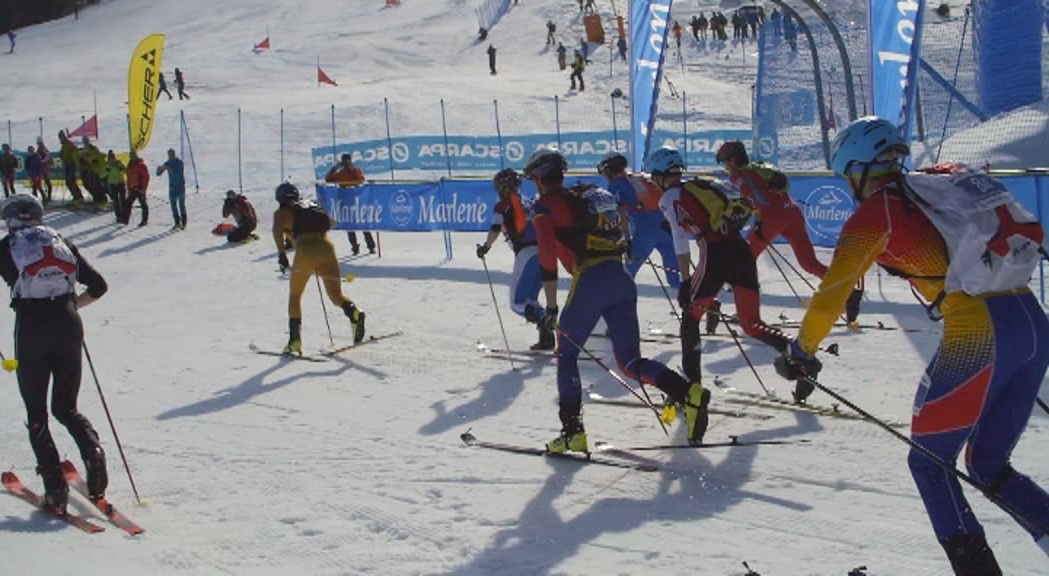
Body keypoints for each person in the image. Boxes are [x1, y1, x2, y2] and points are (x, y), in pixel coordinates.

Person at [773, 116, 1049, 576]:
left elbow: (833, 290)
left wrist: (800, 352)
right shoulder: (934, 188)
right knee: (987, 463)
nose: (849, 187)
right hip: (1031, 323)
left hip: (980, 331)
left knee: (928, 464)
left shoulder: (875, 213)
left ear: (858, 170)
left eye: (847, 178)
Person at [526, 146, 709, 452]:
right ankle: (688, 393)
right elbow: (622, 223)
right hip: (621, 279)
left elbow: (546, 255)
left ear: (539, 178)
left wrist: (552, 306)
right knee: (629, 361)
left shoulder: (546, 206)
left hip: (590, 280)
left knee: (567, 353)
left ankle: (573, 432)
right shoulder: (586, 195)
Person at [0, 194, 110, 514]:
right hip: (68, 323)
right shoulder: (60, 240)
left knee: (37, 414)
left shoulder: (8, 245)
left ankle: (55, 490)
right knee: (66, 407)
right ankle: (95, 456)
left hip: (32, 328)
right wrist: (72, 305)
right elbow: (99, 285)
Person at [648, 146, 790, 391]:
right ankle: (795, 352)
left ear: (660, 175)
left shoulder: (668, 198)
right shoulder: (700, 185)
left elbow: (680, 241)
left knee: (690, 318)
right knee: (750, 323)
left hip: (715, 255)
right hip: (741, 251)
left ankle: (692, 388)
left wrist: (684, 280)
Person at [716, 140, 865, 324]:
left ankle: (747, 314)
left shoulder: (739, 175)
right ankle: (849, 291)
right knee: (809, 263)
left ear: (732, 161)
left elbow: (756, 196)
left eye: (725, 162)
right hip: (792, 211)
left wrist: (760, 221)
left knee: (743, 262)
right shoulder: (760, 167)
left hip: (771, 216)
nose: (726, 168)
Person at [272, 182, 366, 354]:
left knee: (295, 295)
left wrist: (282, 255)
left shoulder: (282, 213)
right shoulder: (311, 205)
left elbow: (277, 232)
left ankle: (295, 341)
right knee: (336, 295)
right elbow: (331, 223)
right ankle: (354, 312)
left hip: (306, 251)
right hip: (327, 248)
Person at [475, 169, 551, 350]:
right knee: (530, 299)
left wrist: (485, 247)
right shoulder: (530, 202)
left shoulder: (502, 206)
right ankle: (547, 337)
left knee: (516, 303)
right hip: (545, 252)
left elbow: (495, 227)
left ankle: (545, 320)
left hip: (526, 253)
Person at [598, 152, 679, 290]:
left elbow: (621, 213)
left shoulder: (615, 185)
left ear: (608, 171)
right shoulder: (641, 177)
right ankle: (697, 305)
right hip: (667, 226)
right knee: (677, 277)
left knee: (626, 275)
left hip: (644, 231)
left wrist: (627, 240)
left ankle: (619, 308)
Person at [324, 153, 375, 255]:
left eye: (348, 162)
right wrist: (334, 168)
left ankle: (371, 246)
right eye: (344, 162)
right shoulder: (340, 173)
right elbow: (328, 179)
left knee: (363, 224)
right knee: (349, 226)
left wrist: (353, 170)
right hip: (345, 203)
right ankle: (355, 247)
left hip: (357, 202)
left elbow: (361, 180)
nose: (346, 165)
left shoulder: (356, 170)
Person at [156, 148, 187, 230]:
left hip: (180, 186)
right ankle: (177, 222)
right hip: (172, 187)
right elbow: (158, 173)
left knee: (181, 205)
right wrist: (159, 169)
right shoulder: (167, 163)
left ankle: (184, 223)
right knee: (173, 206)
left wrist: (169, 169)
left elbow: (178, 171)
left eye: (171, 154)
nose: (170, 156)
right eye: (169, 155)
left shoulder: (179, 162)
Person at [100, 151, 126, 224]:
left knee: (122, 199)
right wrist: (106, 171)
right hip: (113, 184)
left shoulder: (119, 163)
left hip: (120, 183)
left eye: (112, 157)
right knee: (116, 201)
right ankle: (118, 216)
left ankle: (124, 214)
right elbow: (101, 175)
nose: (111, 160)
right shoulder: (106, 165)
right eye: (110, 158)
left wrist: (121, 170)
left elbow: (125, 170)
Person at [78, 136, 106, 205]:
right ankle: (96, 197)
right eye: (84, 141)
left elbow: (97, 156)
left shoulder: (93, 149)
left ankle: (101, 198)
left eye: (86, 141)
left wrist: (92, 160)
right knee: (87, 184)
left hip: (95, 170)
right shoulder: (83, 150)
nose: (85, 142)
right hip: (88, 170)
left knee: (96, 184)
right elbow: (81, 158)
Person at [124, 152, 149, 227]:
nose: (132, 157)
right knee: (128, 203)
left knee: (143, 204)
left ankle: (144, 220)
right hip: (132, 188)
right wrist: (128, 187)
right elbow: (128, 177)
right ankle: (125, 220)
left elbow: (145, 177)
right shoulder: (130, 165)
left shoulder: (141, 165)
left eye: (133, 156)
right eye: (131, 156)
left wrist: (143, 188)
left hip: (139, 188)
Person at [58, 131, 84, 203]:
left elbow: (74, 153)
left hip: (71, 164)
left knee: (70, 181)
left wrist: (75, 163)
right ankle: (76, 195)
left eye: (62, 137)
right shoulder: (64, 145)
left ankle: (78, 196)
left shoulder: (69, 144)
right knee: (69, 181)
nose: (61, 139)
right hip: (67, 165)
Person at [36, 138, 53, 203]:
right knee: (41, 183)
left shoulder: (43, 149)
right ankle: (46, 197)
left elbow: (48, 157)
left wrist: (42, 162)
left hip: (44, 168)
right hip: (42, 168)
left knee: (47, 183)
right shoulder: (40, 149)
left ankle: (48, 197)